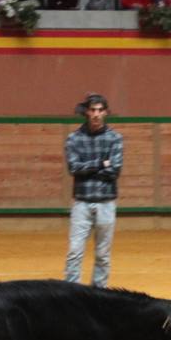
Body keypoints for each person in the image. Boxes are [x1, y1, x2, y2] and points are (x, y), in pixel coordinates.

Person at [65, 94, 122, 287]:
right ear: (86, 112)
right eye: (93, 110)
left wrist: (87, 169)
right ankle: (72, 293)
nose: (96, 114)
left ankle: (99, 295)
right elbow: (73, 168)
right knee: (74, 252)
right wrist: (100, 163)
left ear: (105, 112)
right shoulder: (73, 138)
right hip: (82, 202)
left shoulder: (115, 138)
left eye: (100, 110)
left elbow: (114, 170)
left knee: (103, 255)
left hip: (106, 203)